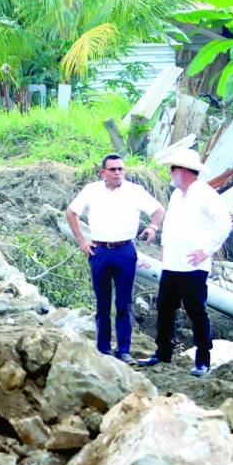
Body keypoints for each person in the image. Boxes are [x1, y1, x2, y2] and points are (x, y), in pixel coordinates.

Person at [138, 148, 233, 376]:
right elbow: (171, 225)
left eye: (173, 169)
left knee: (196, 311)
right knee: (165, 308)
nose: (170, 173)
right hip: (172, 262)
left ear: (183, 170)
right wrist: (164, 248)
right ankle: (163, 352)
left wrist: (206, 250)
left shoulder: (204, 193)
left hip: (193, 265)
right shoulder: (177, 195)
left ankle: (203, 360)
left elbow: (224, 222)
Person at [66, 154, 165, 364]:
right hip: (99, 251)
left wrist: (153, 227)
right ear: (104, 172)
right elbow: (71, 212)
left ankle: (124, 349)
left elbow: (158, 210)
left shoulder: (134, 191)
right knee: (102, 303)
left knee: (124, 303)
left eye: (120, 169)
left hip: (125, 251)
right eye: (113, 169)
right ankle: (103, 348)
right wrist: (82, 241)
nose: (117, 173)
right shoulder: (92, 190)